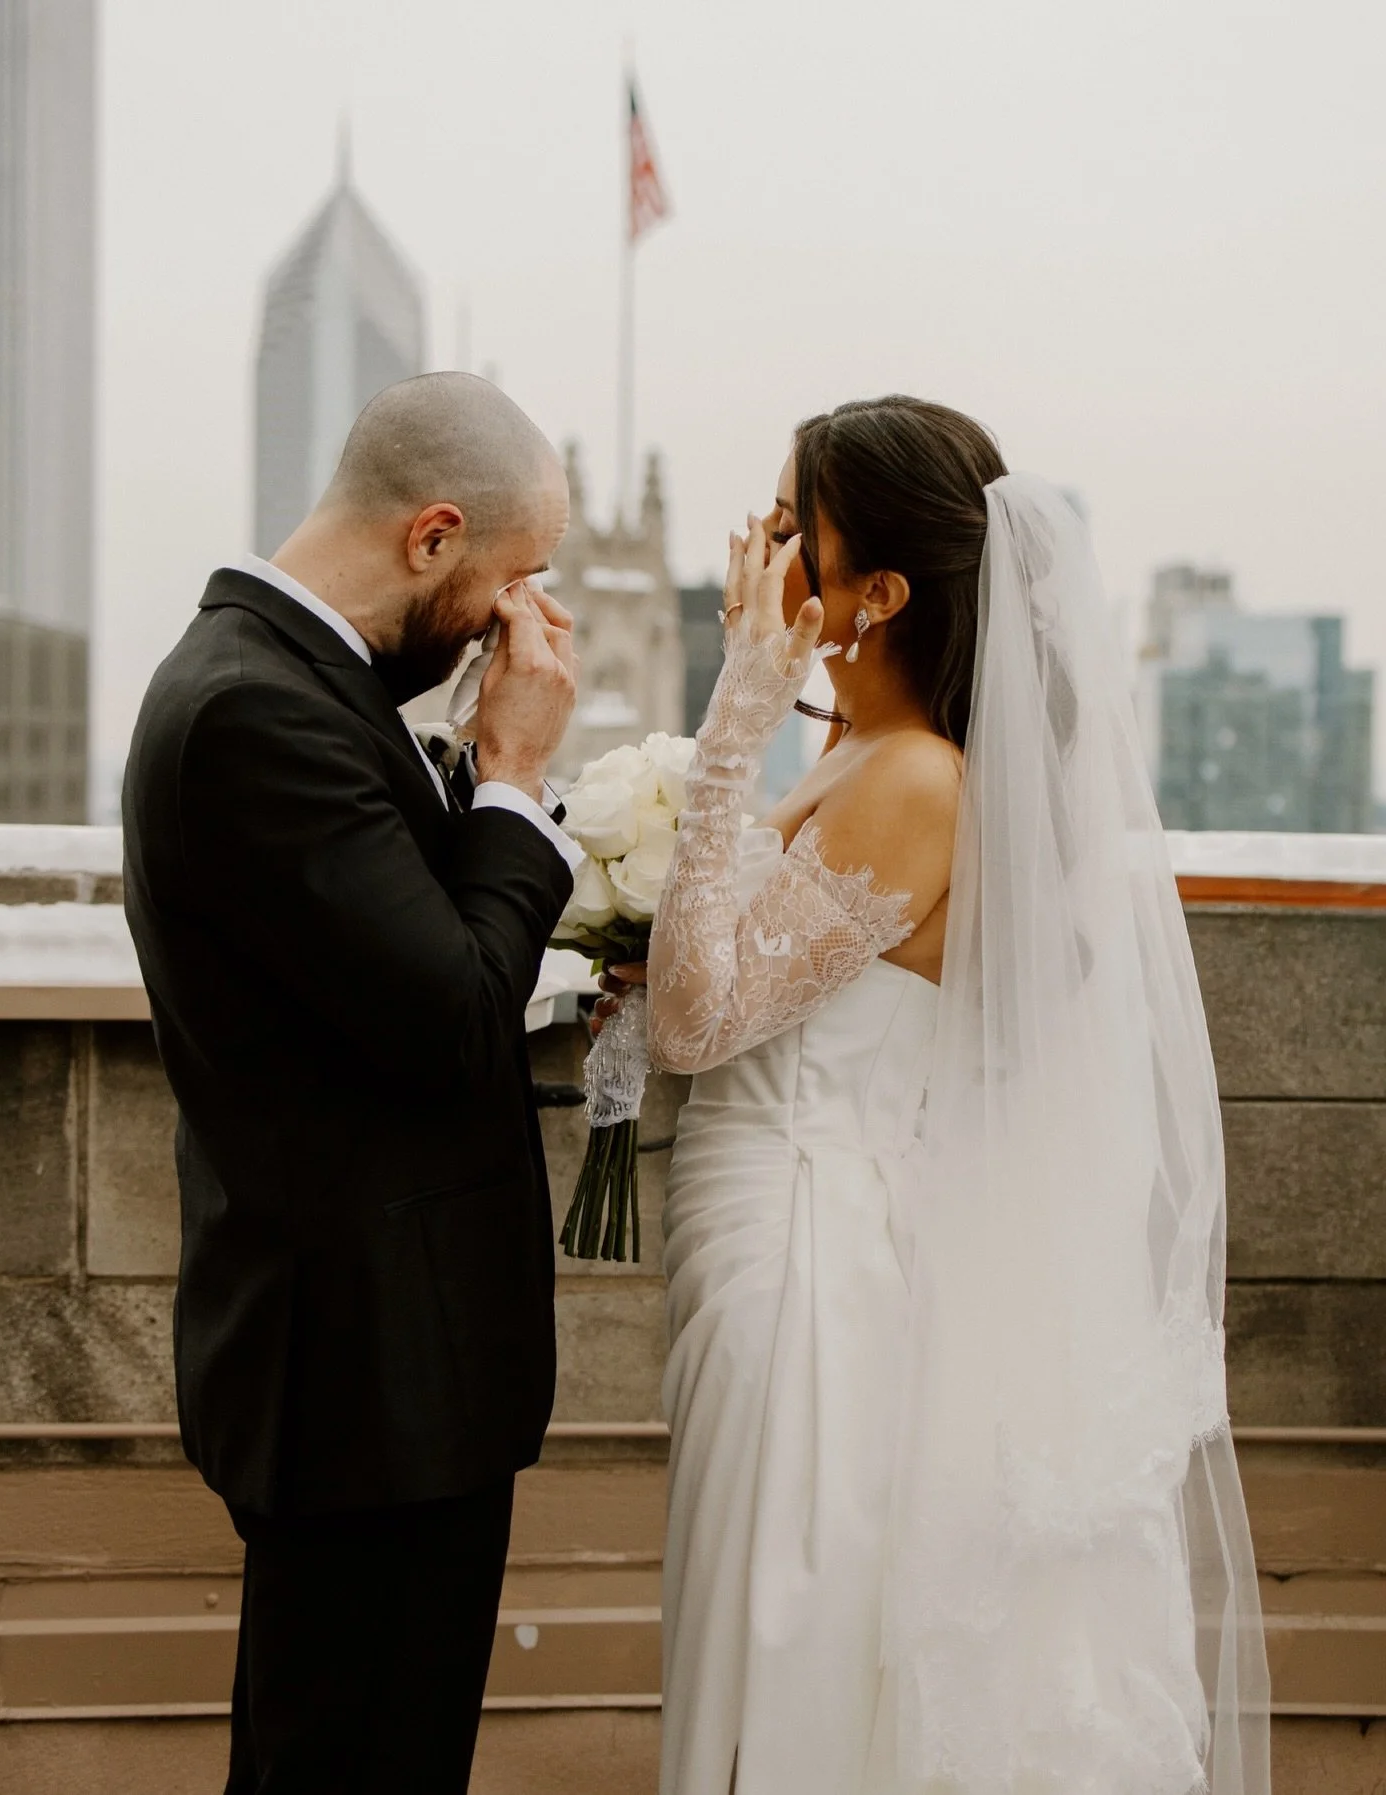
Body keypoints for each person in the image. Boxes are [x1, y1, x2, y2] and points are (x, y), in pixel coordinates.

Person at [602, 396, 1270, 1794]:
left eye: (793, 532)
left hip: (811, 1256)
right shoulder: (851, 756)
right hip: (766, 1233)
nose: (758, 554)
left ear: (879, 591)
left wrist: (738, 688)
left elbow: (693, 1018)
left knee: (776, 1641)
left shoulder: (914, 777)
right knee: (748, 1622)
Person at [122, 373, 582, 1795]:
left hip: (385, 1373)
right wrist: (511, 771)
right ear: (434, 536)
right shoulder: (257, 709)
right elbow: (449, 1012)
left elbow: (380, 954)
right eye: (516, 583)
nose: (524, 625)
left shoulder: (299, 679)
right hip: (365, 1382)